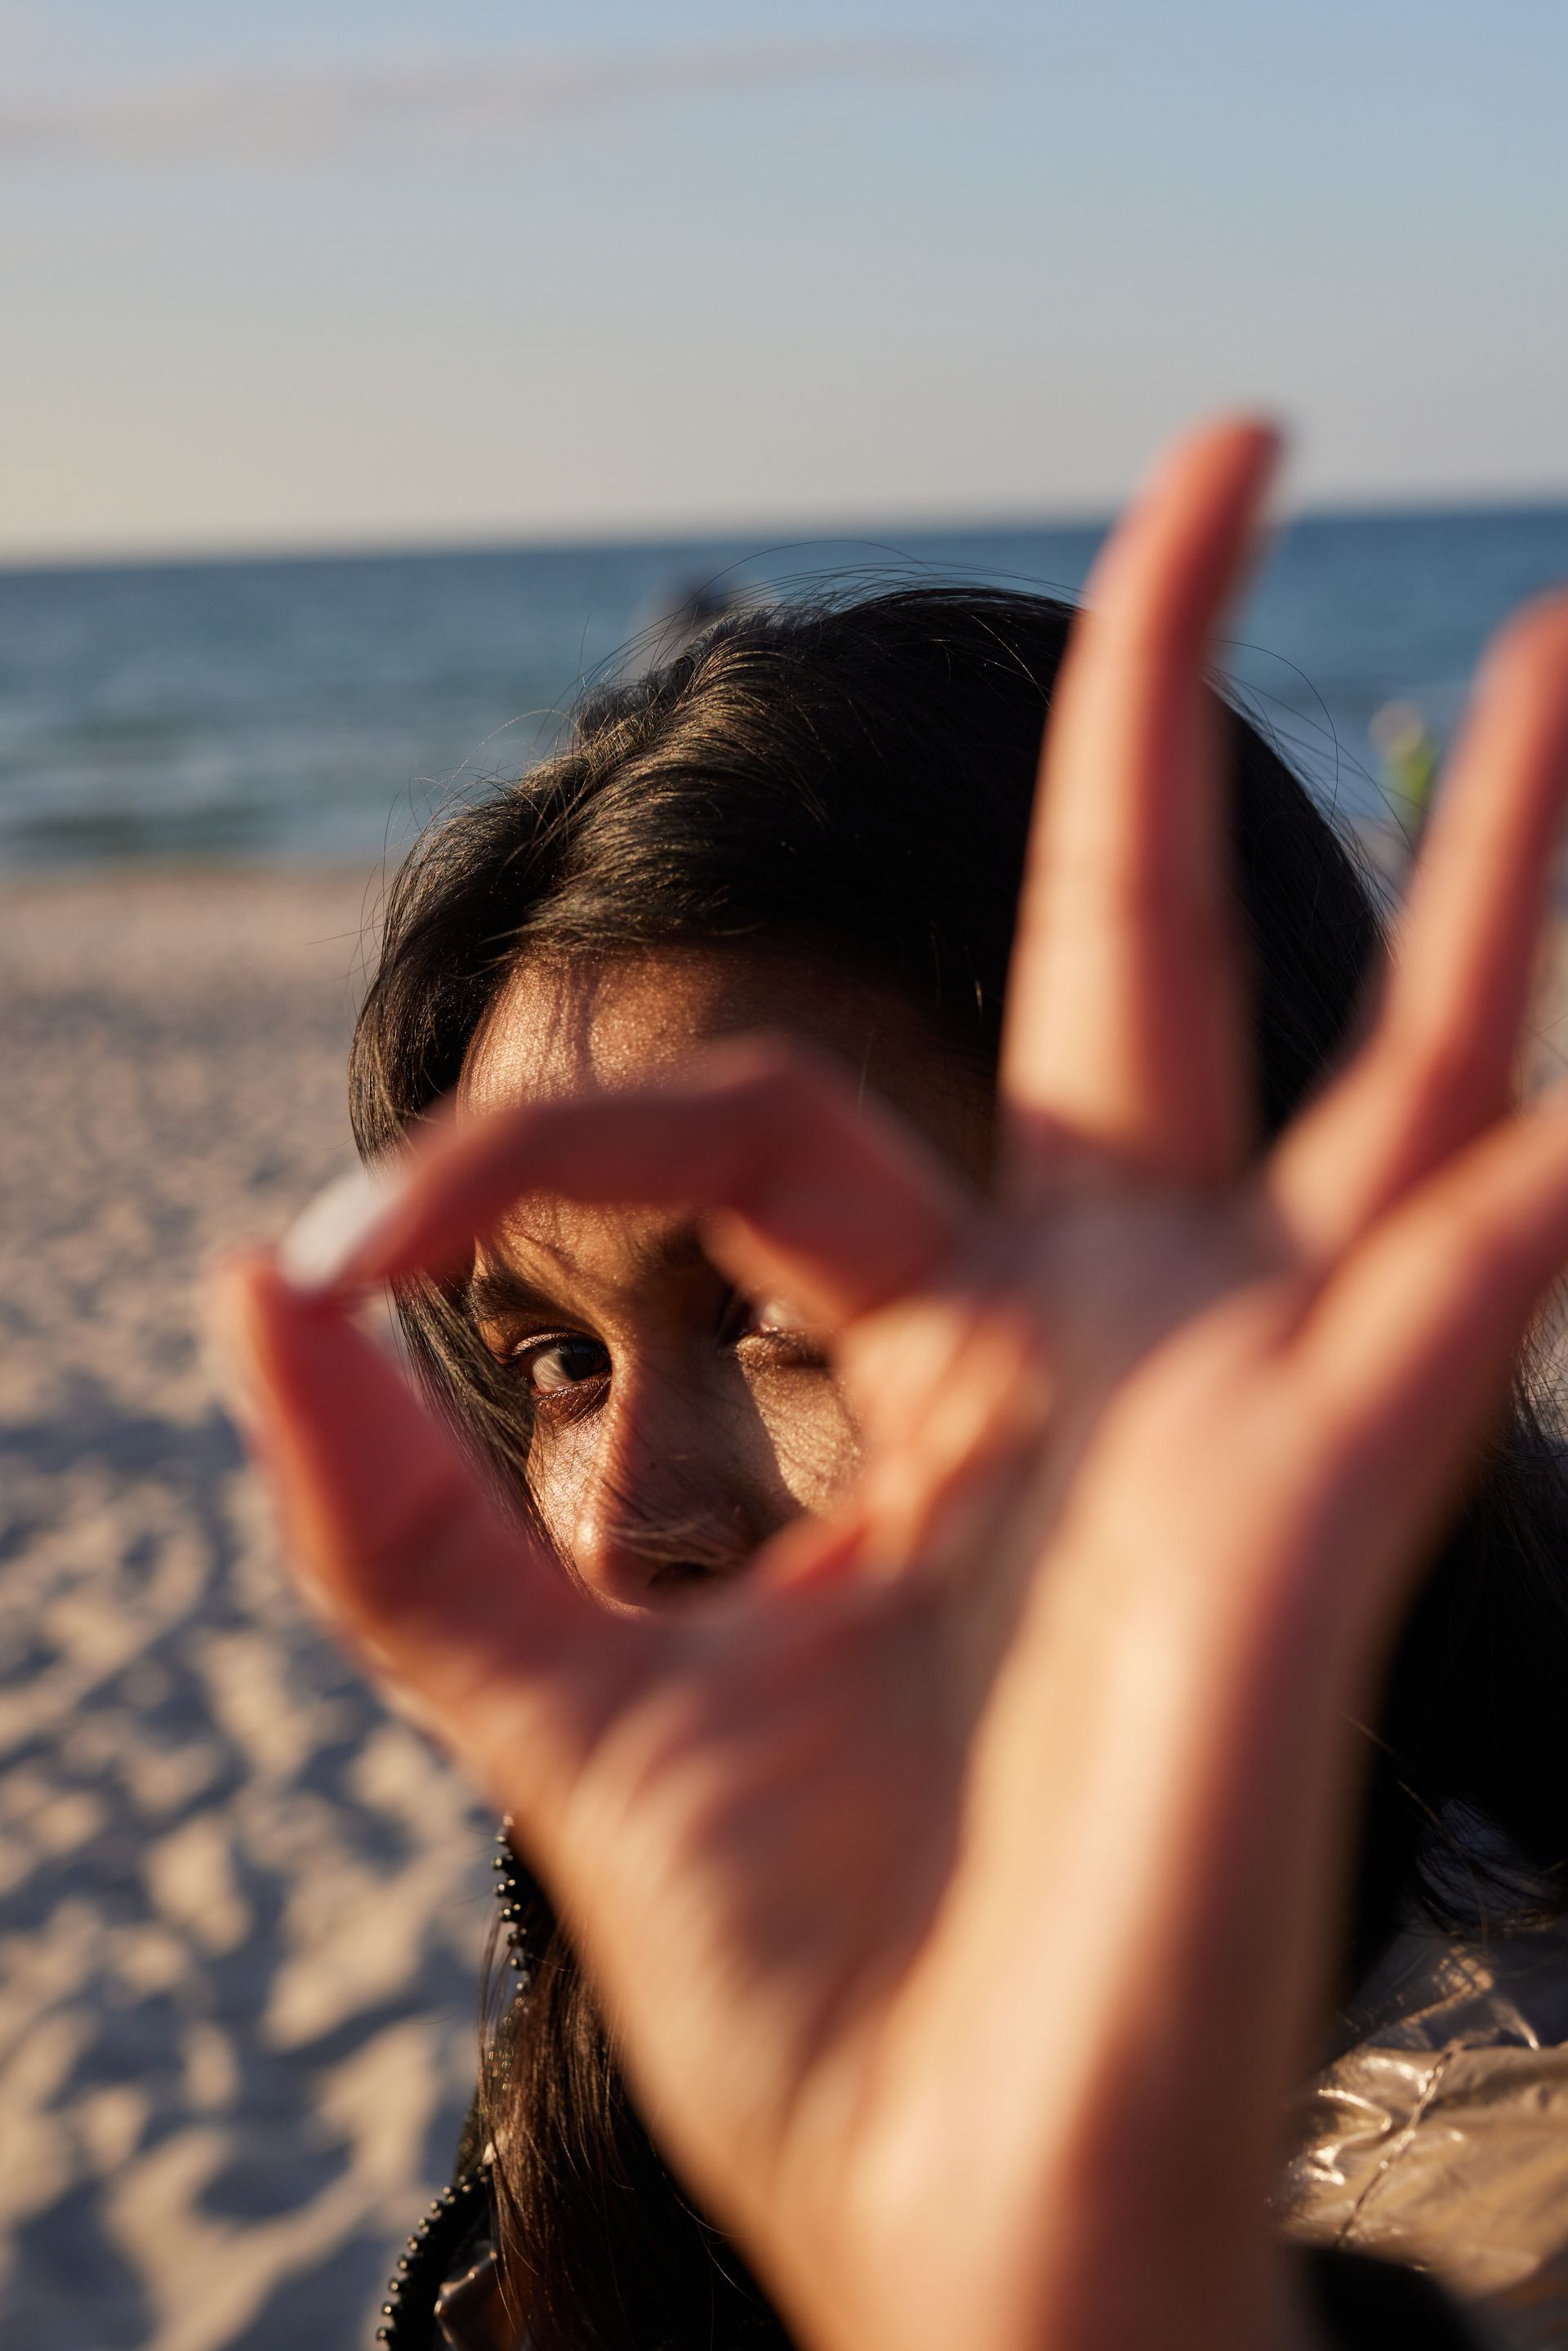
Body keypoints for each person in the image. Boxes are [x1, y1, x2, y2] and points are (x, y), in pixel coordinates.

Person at [211, 420, 1568, 2351]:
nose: (618, 1525)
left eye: (780, 1314)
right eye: (560, 1362)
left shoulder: (1494, 2162)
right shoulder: (698, 1958)